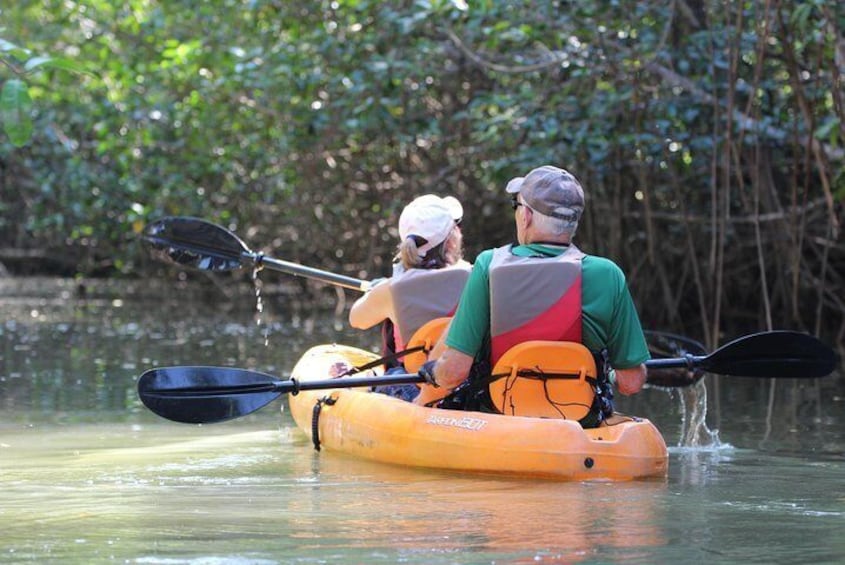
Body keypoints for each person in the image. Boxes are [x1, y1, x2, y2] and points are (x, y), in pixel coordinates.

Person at [418, 165, 649, 425]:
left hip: (498, 418)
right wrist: (606, 374)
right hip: (579, 424)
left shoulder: (488, 266)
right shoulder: (608, 274)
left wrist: (432, 370)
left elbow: (454, 373)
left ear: (526, 215)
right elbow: (631, 382)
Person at [347, 194, 470, 401]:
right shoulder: (476, 276)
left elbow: (356, 319)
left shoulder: (391, 290)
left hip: (412, 385)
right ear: (450, 242)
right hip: (463, 383)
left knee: (391, 374)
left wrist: (376, 290)